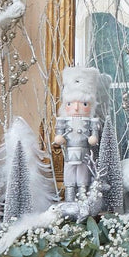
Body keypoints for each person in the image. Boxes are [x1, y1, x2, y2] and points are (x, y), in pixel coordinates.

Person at [53, 66, 102, 201]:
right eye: (70, 104)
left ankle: (82, 192)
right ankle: (69, 194)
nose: (76, 108)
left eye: (83, 104)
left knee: (83, 170)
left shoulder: (90, 121)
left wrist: (93, 138)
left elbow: (94, 136)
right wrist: (60, 138)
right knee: (69, 169)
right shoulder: (64, 121)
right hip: (69, 151)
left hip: (84, 151)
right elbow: (59, 134)